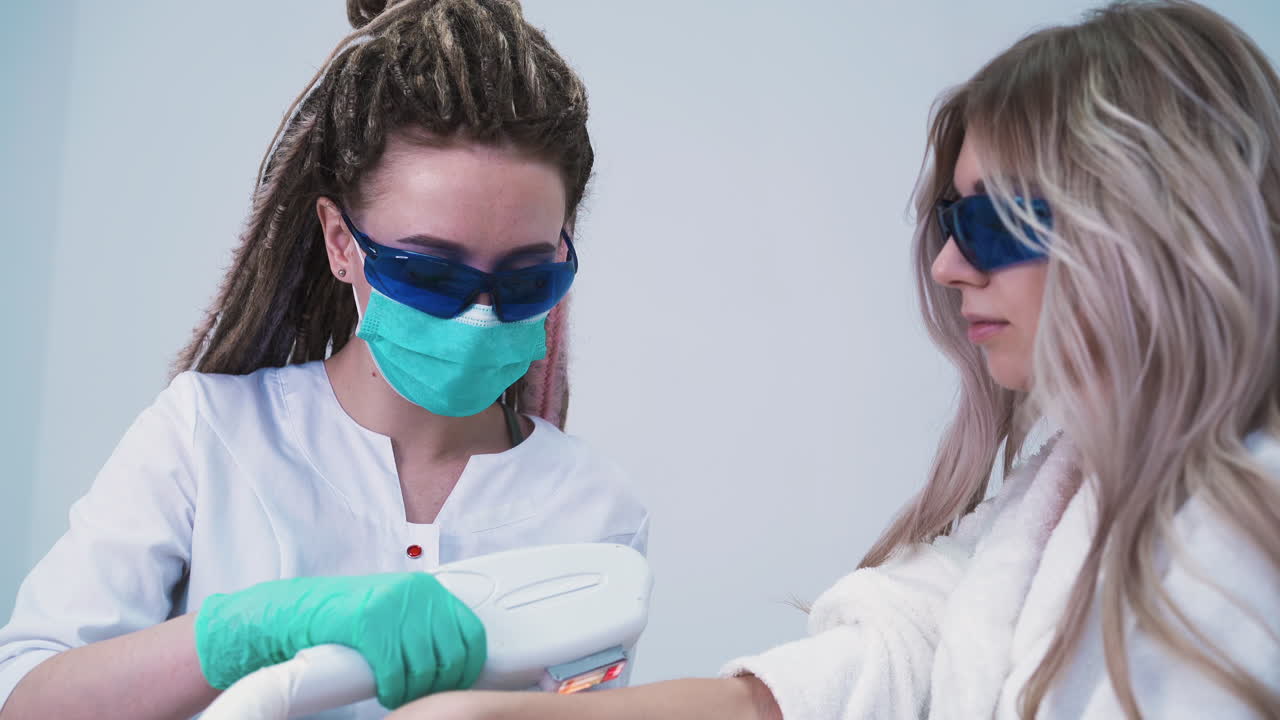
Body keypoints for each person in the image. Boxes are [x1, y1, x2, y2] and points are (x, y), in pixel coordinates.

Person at [396, 2, 1280, 718]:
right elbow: (911, 643)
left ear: (1157, 224)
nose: (946, 266)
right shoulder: (1068, 497)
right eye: (948, 221)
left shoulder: (1246, 538)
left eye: (990, 223)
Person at [0, 1, 647, 718]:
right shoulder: (207, 437)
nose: (480, 315)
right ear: (342, 243)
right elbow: (26, 699)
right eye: (431, 273)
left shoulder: (594, 508)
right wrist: (258, 629)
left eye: (527, 277)